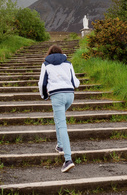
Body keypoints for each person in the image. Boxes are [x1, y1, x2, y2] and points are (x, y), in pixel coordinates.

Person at [38, 44, 80, 173]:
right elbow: (75, 82)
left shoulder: (46, 64)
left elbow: (42, 83)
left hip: (57, 95)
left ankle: (68, 160)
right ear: (61, 53)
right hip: (69, 95)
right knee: (58, 117)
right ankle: (60, 145)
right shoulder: (68, 64)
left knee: (62, 125)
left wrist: (44, 96)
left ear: (49, 54)